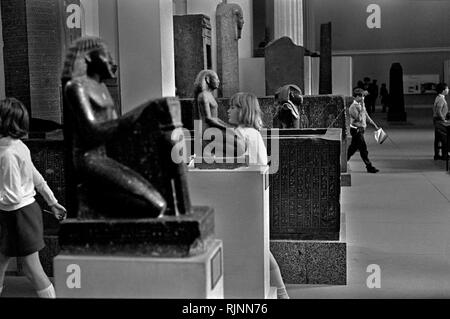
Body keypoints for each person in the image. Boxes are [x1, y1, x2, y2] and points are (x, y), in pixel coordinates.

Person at [63, 37, 170, 218]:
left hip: (108, 153)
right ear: (89, 57)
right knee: (155, 205)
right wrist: (136, 114)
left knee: (161, 198)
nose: (112, 62)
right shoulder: (76, 87)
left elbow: (115, 129)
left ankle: (99, 205)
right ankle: (95, 206)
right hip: (89, 159)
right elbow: (93, 132)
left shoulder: (102, 87)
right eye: (106, 56)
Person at [0, 98, 67, 298]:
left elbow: (12, 197)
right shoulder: (17, 146)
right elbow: (36, 177)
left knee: (32, 269)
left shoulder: (8, 153)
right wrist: (52, 201)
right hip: (19, 214)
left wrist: (52, 201)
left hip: (19, 216)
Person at [227, 92, 289, 299]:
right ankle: (281, 292)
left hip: (244, 199)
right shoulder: (253, 133)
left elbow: (234, 166)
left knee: (260, 249)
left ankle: (281, 292)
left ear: (243, 111)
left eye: (233, 107)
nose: (228, 110)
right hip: (255, 198)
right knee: (260, 248)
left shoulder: (241, 134)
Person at [347, 88, 380, 173]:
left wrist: (374, 125)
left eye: (363, 96)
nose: (363, 98)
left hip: (361, 130)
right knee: (363, 149)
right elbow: (360, 118)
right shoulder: (352, 107)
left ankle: (342, 162)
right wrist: (362, 107)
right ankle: (369, 166)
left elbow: (366, 117)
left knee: (352, 149)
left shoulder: (361, 105)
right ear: (356, 97)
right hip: (356, 130)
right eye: (361, 96)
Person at [432, 83, 449, 160]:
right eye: (447, 88)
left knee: (437, 138)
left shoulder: (438, 97)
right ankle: (444, 155)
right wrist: (443, 119)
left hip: (436, 119)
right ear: (443, 91)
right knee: (444, 138)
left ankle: (437, 154)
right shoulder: (441, 99)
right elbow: (439, 111)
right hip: (439, 120)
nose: (448, 90)